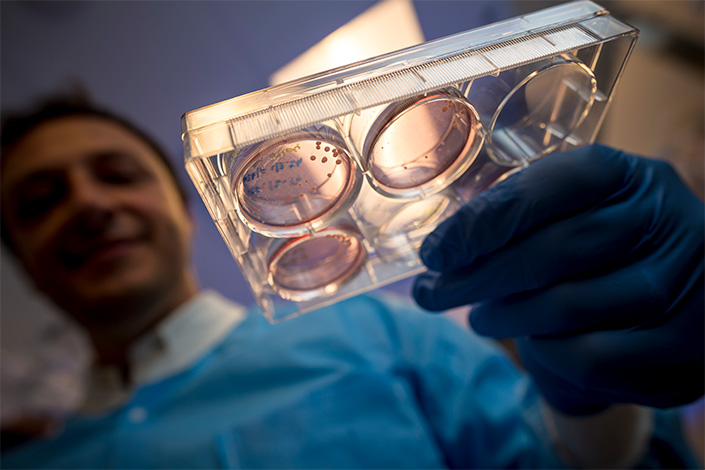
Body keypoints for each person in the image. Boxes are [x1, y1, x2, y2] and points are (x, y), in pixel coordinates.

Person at [0, 95, 701, 469]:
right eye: (40, 203)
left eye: (118, 175)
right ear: (22, 261)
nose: (88, 205)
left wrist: (598, 413)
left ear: (186, 210)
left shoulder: (376, 332)